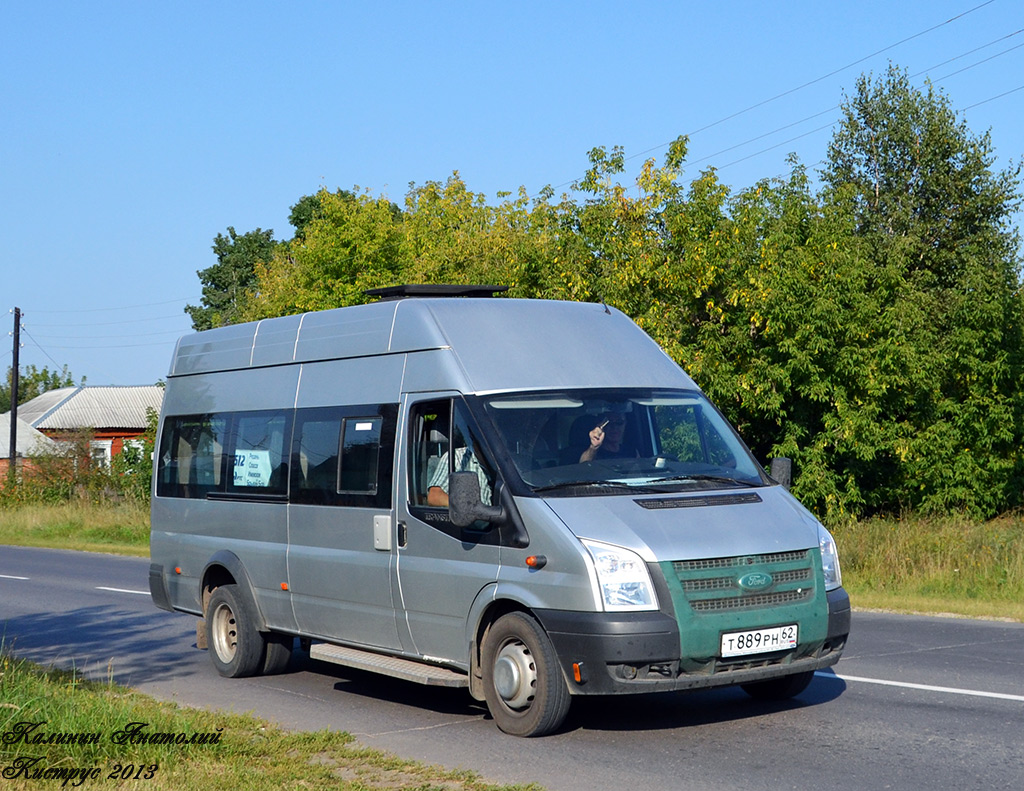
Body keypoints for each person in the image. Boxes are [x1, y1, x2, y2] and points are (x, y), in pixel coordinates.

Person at [426, 446, 493, 507]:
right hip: (467, 518)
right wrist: (465, 507)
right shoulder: (456, 457)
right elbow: (434, 497)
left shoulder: (500, 462)